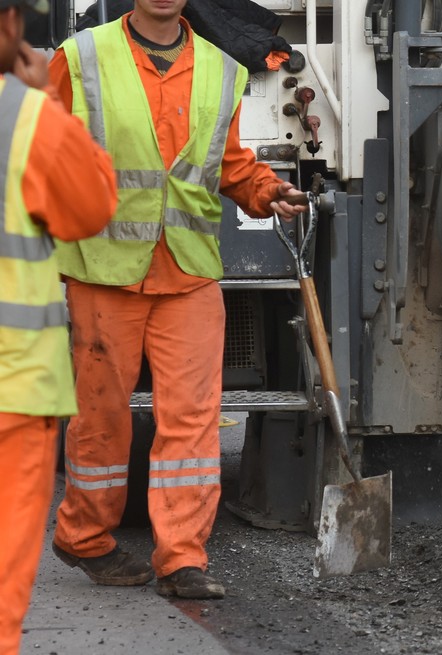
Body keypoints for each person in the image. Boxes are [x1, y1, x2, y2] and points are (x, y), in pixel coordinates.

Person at [47, 0, 309, 599]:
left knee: (192, 416)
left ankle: (182, 559)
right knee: (102, 413)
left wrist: (269, 191)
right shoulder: (82, 58)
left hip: (187, 271)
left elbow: (231, 164)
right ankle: (84, 537)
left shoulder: (222, 69)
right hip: (104, 268)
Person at [0, 0, 119, 650]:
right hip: (12, 392)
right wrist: (44, 98)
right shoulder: (24, 119)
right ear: (11, 27)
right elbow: (91, 207)